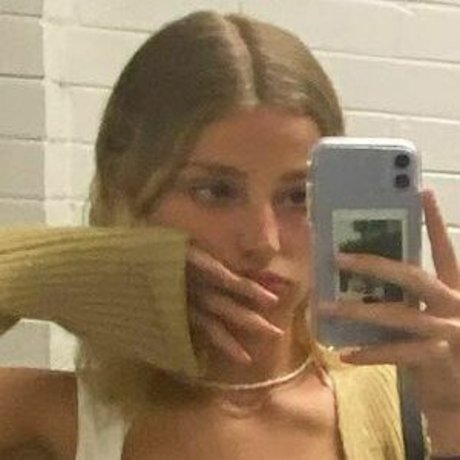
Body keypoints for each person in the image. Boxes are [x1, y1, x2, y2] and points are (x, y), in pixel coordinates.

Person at [0, 10, 459, 460]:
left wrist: (453, 427)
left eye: (298, 196)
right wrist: (65, 267)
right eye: (215, 191)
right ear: (130, 192)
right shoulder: (55, 418)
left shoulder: (406, 408)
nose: (263, 241)